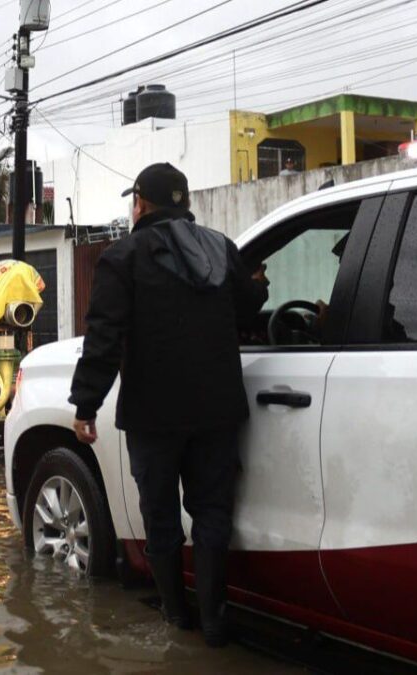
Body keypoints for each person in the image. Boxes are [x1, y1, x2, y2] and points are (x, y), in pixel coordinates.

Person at [68, 163, 268, 646]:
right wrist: (258, 283)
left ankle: (177, 623)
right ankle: (216, 627)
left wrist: (85, 405)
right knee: (213, 513)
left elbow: (104, 337)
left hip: (154, 416)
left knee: (160, 517)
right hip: (218, 410)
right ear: (183, 203)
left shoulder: (125, 256)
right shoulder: (221, 247)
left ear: (139, 203)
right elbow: (248, 308)